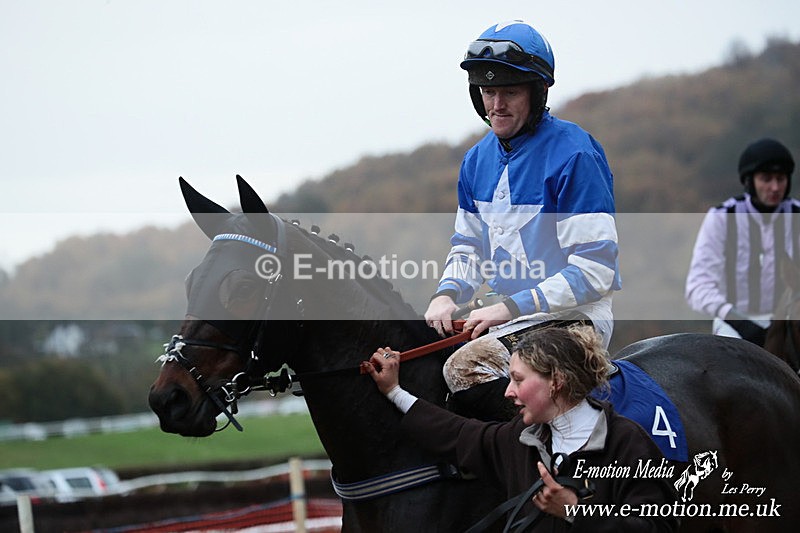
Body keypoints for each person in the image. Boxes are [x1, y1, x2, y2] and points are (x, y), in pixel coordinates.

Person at [424, 20, 621, 420]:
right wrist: (447, 294)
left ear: (537, 93)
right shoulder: (476, 161)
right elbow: (468, 246)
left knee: (465, 368)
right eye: (488, 91)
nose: (496, 105)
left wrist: (510, 308)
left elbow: (596, 271)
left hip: (574, 320)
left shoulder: (575, 154)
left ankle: (542, 469)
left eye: (509, 92)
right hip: (509, 316)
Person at [364, 325, 678, 532]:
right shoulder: (517, 439)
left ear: (556, 382)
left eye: (518, 379)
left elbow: (658, 527)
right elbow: (456, 434)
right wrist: (394, 392)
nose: (507, 392)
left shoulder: (626, 441)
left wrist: (575, 511)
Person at [686, 137, 798, 346]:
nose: (775, 187)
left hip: (790, 325)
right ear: (749, 181)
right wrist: (740, 321)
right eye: (766, 178)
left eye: (780, 178)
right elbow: (697, 288)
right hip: (734, 325)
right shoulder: (721, 217)